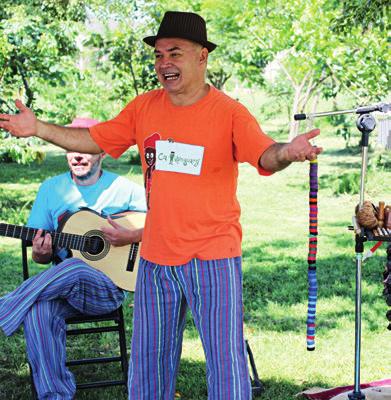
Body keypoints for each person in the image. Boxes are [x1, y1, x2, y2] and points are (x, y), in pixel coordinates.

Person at [0, 11, 323, 400]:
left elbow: (266, 155)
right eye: (157, 55)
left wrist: (288, 150)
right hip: (155, 256)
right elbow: (94, 140)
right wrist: (38, 129)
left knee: (225, 362)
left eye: (174, 53)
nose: (164, 63)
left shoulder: (229, 112)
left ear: (202, 56)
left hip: (213, 254)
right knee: (148, 365)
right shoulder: (144, 108)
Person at [0, 117, 147, 399]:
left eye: (85, 148)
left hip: (107, 289)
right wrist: (41, 253)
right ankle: (55, 395)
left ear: (101, 151)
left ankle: (6, 306)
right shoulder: (50, 190)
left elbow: (157, 226)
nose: (77, 155)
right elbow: (40, 256)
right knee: (38, 312)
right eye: (71, 148)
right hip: (63, 291)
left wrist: (129, 236)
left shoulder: (125, 190)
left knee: (76, 266)